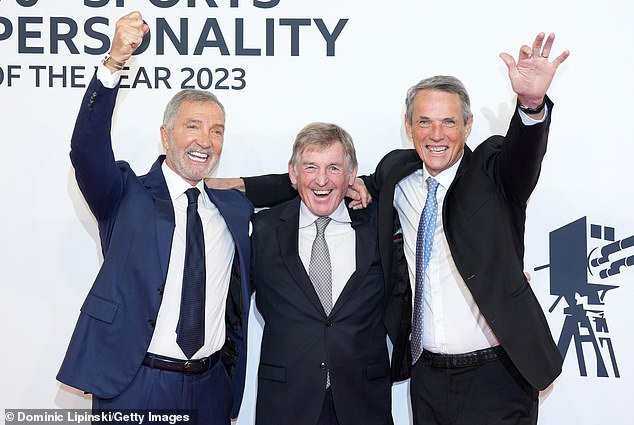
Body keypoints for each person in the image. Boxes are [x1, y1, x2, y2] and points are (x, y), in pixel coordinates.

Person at [218, 32, 570, 425]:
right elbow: (326, 180)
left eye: (448, 122)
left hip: (497, 375)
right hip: (428, 378)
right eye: (424, 122)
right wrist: (244, 187)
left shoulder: (494, 170)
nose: (436, 135)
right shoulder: (397, 173)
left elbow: (524, 157)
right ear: (408, 125)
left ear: (468, 125)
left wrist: (531, 104)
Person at [57, 12, 253, 424]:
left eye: (217, 130)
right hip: (135, 385)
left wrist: (359, 185)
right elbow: (86, 150)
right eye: (193, 126)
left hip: (210, 388)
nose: (205, 140)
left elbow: (302, 187)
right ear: (165, 136)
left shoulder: (234, 210)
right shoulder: (124, 193)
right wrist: (113, 64)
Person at [250, 122, 392, 425]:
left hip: (364, 403)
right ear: (293, 173)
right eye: (311, 167)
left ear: (353, 174)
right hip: (287, 404)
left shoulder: (381, 225)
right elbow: (230, 310)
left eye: (334, 168)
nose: (322, 180)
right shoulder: (263, 230)